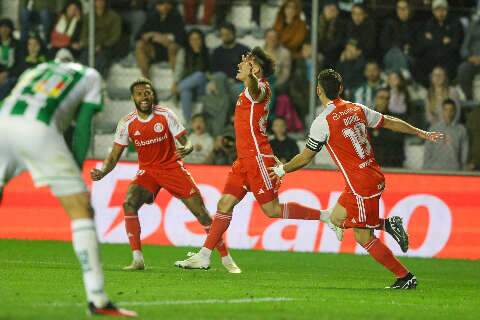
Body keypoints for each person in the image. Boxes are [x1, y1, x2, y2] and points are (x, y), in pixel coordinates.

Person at [269, 68, 444, 289]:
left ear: (318, 91)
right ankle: (389, 225)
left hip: (362, 184)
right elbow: (388, 121)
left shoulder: (322, 122)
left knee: (363, 236)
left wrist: (282, 169)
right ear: (340, 89)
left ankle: (405, 277)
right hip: (368, 177)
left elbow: (305, 158)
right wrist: (420, 132)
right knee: (335, 218)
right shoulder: (356, 108)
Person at [174, 47, 342, 271]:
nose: (240, 66)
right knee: (224, 204)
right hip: (243, 160)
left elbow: (255, 88)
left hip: (257, 160)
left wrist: (251, 76)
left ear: (256, 70)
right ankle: (204, 256)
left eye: (248, 64)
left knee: (271, 210)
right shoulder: (247, 92)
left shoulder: (261, 88)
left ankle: (326, 216)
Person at [0, 50, 136, 317]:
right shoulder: (89, 75)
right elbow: (84, 123)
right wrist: (77, 166)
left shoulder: (35, 70)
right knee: (81, 209)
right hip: (38, 130)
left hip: (3, 124)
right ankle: (97, 299)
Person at [90, 78, 240, 273]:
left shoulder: (165, 115)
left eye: (147, 93)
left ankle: (226, 258)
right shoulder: (127, 123)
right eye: (140, 94)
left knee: (201, 213)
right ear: (133, 98)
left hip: (172, 169)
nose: (144, 97)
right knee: (129, 203)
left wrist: (185, 149)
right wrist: (102, 171)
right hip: (148, 172)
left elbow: (187, 143)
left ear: (153, 95)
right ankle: (137, 259)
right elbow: (114, 156)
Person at [415, 0, 464, 85]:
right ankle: (426, 88)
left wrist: (433, 40)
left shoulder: (455, 23)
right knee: (419, 62)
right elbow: (423, 44)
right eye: (437, 10)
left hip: (449, 56)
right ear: (433, 11)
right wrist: (443, 40)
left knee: (451, 63)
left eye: (443, 10)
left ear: (447, 10)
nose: (440, 13)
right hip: (432, 56)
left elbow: (455, 45)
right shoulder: (429, 23)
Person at [135, 0, 186, 77]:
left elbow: (181, 37)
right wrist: (153, 35)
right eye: (161, 3)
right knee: (140, 45)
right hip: (156, 50)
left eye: (167, 3)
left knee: (173, 47)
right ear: (156, 6)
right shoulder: (152, 17)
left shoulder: (177, 17)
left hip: (171, 51)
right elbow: (138, 35)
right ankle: (146, 79)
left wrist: (164, 38)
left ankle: (176, 80)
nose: (164, 6)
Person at [75, 0, 122, 77]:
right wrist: (89, 45)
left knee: (100, 62)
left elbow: (115, 36)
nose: (100, 2)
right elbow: (84, 35)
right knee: (83, 61)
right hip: (89, 46)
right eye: (97, 0)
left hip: (106, 47)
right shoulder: (88, 16)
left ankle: (98, 80)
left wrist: (103, 45)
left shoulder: (114, 17)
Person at [173, 28, 210, 121]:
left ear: (202, 40)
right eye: (192, 39)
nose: (195, 42)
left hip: (201, 87)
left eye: (198, 39)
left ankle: (178, 89)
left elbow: (209, 72)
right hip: (188, 84)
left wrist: (199, 54)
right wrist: (175, 82)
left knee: (199, 75)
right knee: (185, 91)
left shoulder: (207, 52)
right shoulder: (183, 52)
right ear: (188, 41)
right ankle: (188, 121)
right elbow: (179, 69)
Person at [423, 99, 468, 171]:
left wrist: (463, 169)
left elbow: (464, 153)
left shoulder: (461, 130)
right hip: (435, 169)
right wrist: (426, 170)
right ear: (442, 111)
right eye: (446, 110)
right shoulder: (433, 129)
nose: (448, 113)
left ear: (455, 112)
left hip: (454, 170)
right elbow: (428, 151)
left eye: (451, 110)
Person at [370, 87, 405, 167]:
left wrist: (378, 134)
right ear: (375, 99)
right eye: (381, 98)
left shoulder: (395, 119)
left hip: (392, 162)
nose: (384, 101)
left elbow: (398, 140)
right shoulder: (366, 118)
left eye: (387, 98)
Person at [380, 0, 418, 73]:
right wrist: (399, 47)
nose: (401, 11)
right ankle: (405, 78)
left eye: (404, 8)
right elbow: (383, 43)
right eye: (399, 8)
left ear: (409, 9)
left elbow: (418, 44)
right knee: (397, 53)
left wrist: (410, 49)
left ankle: (390, 76)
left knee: (402, 58)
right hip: (391, 54)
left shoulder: (415, 25)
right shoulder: (390, 23)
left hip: (409, 55)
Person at [457, 13, 480, 100]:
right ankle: (469, 98)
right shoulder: (473, 25)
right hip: (474, 61)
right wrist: (470, 57)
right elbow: (464, 49)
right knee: (463, 68)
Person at [318, 0, 347, 69]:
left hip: (333, 56)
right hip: (320, 53)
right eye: (328, 8)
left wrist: (322, 54)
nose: (330, 11)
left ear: (337, 11)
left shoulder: (341, 24)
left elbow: (338, 43)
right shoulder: (318, 22)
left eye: (333, 9)